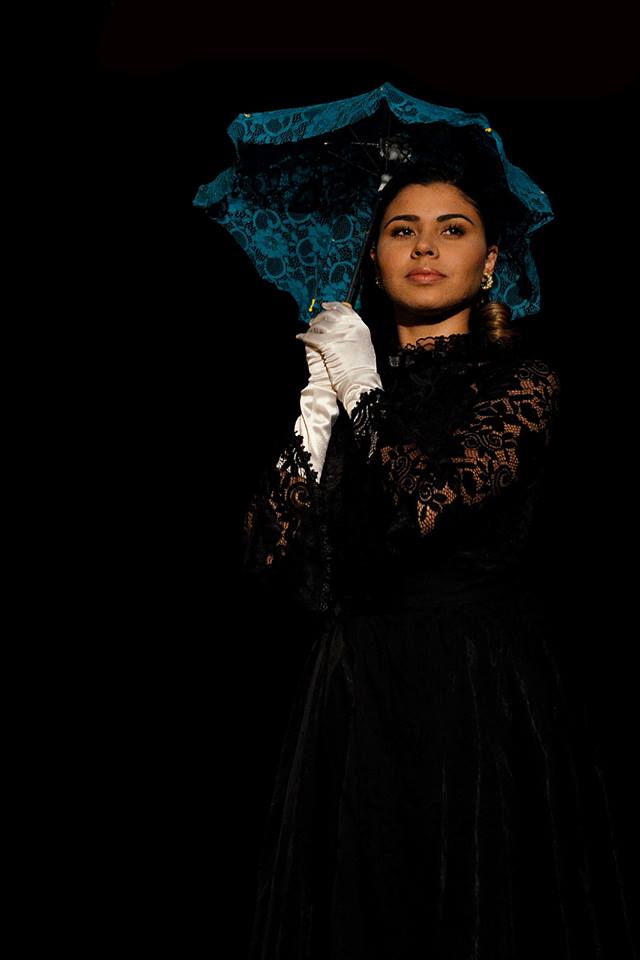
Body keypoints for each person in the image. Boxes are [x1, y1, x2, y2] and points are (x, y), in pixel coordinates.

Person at [241, 159, 637, 959]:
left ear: (489, 262)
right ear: (375, 259)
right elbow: (267, 556)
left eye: (452, 229)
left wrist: (361, 387)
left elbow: (427, 505)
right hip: (352, 690)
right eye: (402, 230)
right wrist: (314, 416)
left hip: (473, 685)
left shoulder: (521, 382)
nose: (425, 247)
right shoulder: (346, 383)